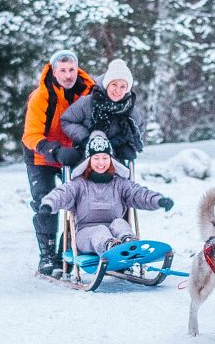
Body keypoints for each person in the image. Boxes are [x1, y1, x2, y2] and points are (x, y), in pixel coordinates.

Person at [22, 50, 95, 275]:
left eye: (71, 69)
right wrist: (53, 149)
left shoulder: (88, 92)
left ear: (77, 69)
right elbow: (31, 134)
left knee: (85, 198)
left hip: (74, 154)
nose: (67, 75)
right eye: (62, 70)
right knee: (46, 201)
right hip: (41, 155)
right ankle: (47, 255)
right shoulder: (41, 95)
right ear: (54, 72)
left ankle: (68, 249)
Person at [39, 131, 174, 255]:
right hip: (86, 234)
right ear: (89, 160)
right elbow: (62, 194)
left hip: (115, 232)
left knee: (120, 223)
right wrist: (48, 206)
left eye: (105, 158)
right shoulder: (79, 184)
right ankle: (111, 248)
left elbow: (139, 194)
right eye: (96, 158)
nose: (101, 162)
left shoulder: (119, 183)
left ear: (111, 159)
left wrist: (159, 200)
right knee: (100, 230)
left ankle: (129, 244)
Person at [61, 59, 143, 162]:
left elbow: (139, 128)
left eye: (123, 86)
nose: (118, 90)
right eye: (114, 84)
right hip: (87, 152)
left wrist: (121, 142)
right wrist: (86, 138)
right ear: (107, 84)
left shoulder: (130, 109)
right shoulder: (87, 102)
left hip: (115, 155)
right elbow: (66, 120)